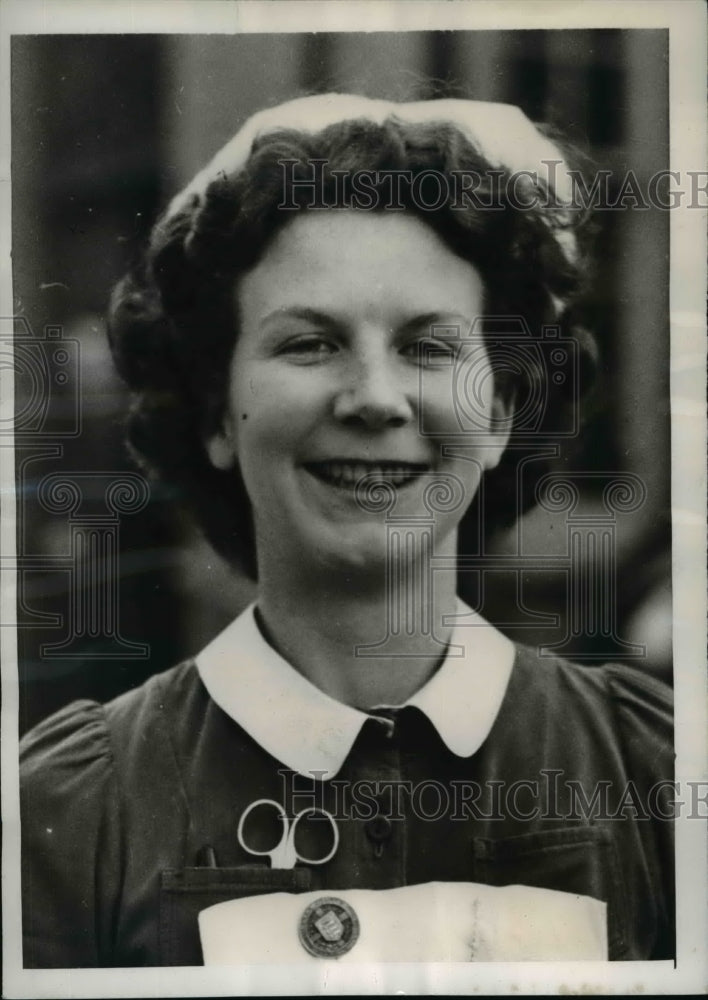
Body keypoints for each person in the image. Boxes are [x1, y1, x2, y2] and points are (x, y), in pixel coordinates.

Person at [20, 93, 673, 967]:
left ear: (504, 412)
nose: (374, 396)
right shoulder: (71, 815)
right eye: (310, 344)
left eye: (430, 348)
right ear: (218, 413)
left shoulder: (651, 772)